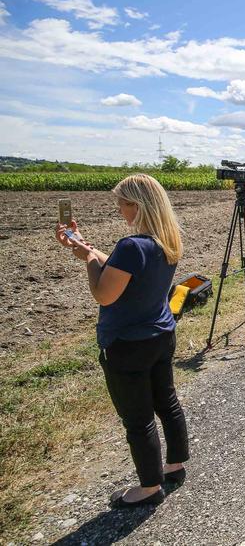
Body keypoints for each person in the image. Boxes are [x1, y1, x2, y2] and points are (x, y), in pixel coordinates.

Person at [54, 174, 188, 508]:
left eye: (122, 203)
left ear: (137, 205)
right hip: (161, 334)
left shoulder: (131, 246)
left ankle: (149, 488)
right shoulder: (167, 240)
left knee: (138, 418)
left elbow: (104, 294)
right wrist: (85, 247)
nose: (119, 210)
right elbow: (123, 267)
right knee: (167, 402)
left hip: (128, 344)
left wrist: (88, 260)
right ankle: (174, 466)